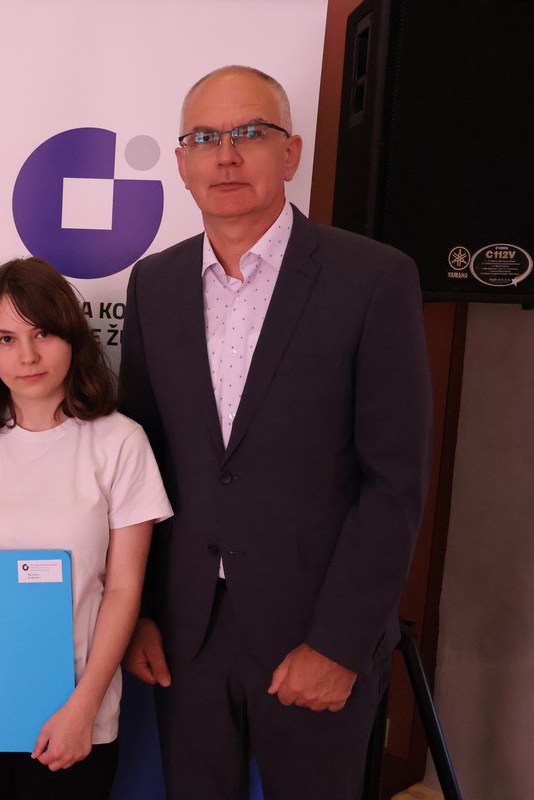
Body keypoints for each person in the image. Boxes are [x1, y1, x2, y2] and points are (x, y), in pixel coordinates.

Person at [119, 65, 431, 799]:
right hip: (187, 634)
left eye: (250, 133)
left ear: (290, 153)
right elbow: (140, 463)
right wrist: (141, 613)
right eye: (205, 138)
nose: (226, 156)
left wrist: (339, 643)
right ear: (182, 164)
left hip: (315, 631)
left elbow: (395, 483)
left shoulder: (372, 280)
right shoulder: (153, 285)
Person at [0, 257, 172, 799]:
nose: (26, 356)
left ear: (72, 338)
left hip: (72, 714)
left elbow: (124, 589)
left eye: (42, 334)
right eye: (6, 339)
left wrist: (85, 707)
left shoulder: (120, 443)